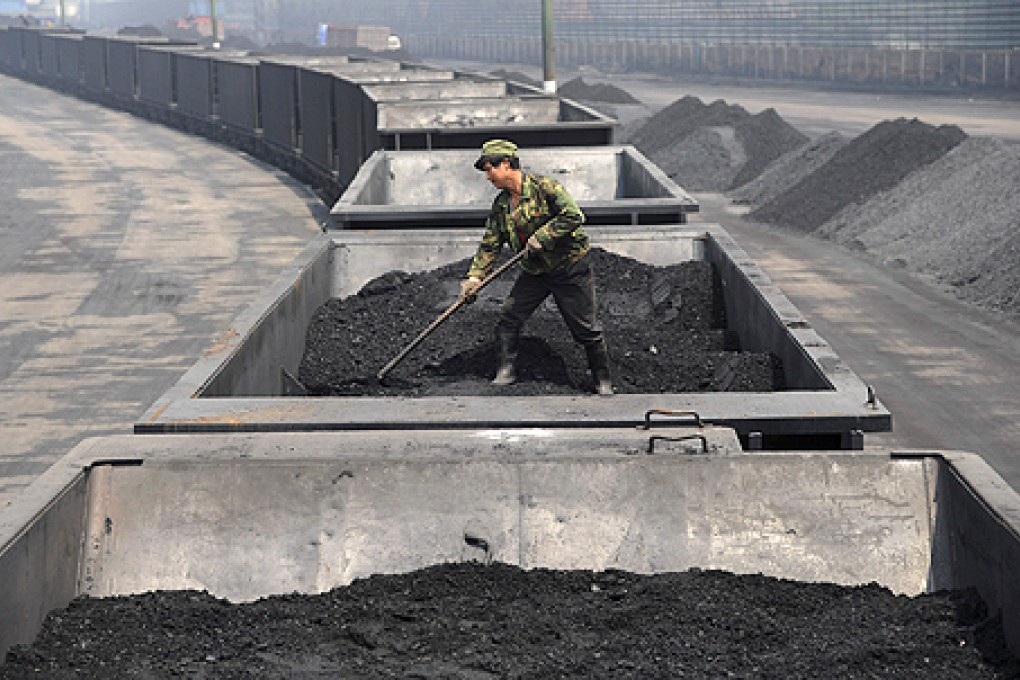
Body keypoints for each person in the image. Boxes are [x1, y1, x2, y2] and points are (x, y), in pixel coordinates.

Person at [459, 139, 613, 395]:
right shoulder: (502, 205)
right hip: (535, 272)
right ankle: (506, 372)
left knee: (586, 329)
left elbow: (574, 216)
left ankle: (602, 380)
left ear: (506, 164)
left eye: (489, 169)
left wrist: (544, 236)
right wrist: (475, 278)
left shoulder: (545, 188)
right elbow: (491, 243)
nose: (487, 177)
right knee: (509, 318)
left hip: (569, 268)